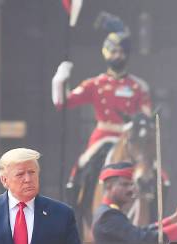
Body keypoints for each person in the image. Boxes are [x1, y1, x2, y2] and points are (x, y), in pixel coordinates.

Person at [51, 12, 152, 195]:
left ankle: (155, 217)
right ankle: (76, 209)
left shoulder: (138, 86)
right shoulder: (95, 84)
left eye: (121, 52)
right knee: (80, 170)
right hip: (103, 135)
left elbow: (146, 116)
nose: (118, 56)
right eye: (114, 51)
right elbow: (63, 103)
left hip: (130, 137)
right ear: (106, 53)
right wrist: (59, 81)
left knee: (159, 175)